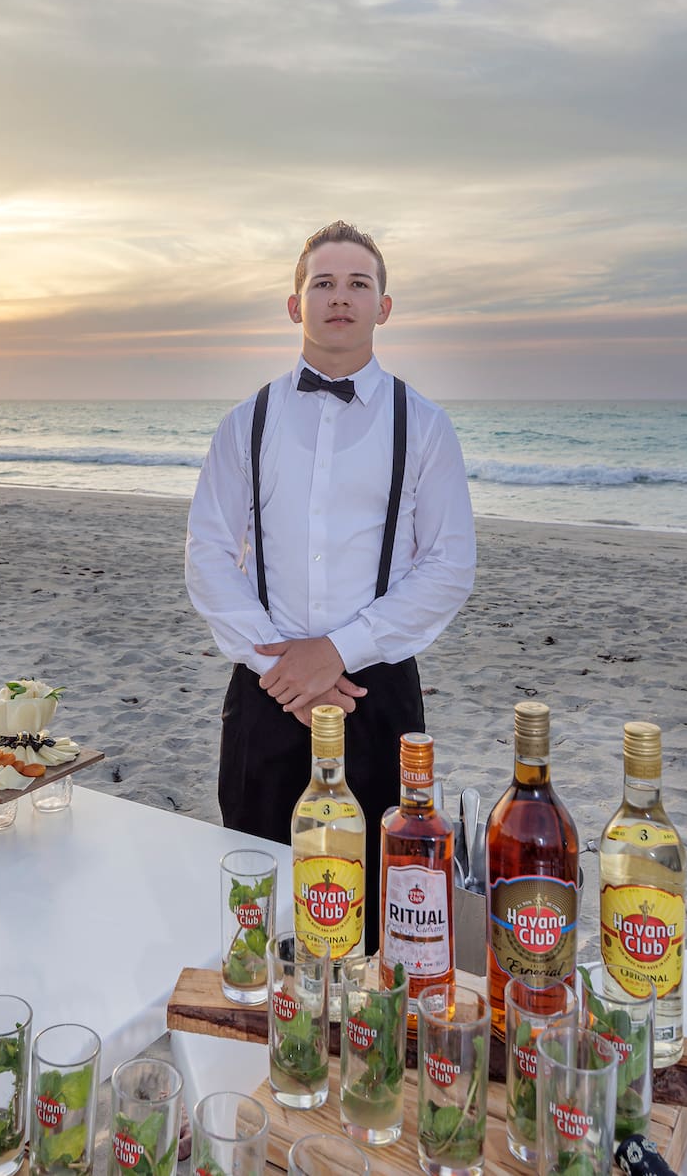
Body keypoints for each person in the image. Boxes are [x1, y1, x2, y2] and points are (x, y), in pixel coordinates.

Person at [186, 219, 476, 944]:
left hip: (376, 702)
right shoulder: (244, 422)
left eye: (358, 284)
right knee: (261, 903)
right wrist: (279, 665)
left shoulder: (427, 426)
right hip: (264, 698)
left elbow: (448, 565)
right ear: (295, 305)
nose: (339, 297)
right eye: (323, 283)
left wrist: (337, 651)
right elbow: (208, 554)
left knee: (383, 911)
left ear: (384, 306)